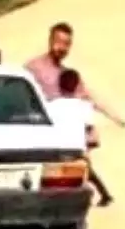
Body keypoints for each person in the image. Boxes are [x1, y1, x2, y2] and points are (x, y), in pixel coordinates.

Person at [26, 23, 125, 126]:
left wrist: (116, 118)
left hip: (63, 128)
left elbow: (91, 98)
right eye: (58, 42)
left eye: (66, 44)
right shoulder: (34, 67)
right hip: (39, 127)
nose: (62, 48)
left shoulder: (70, 76)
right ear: (50, 40)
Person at [48, 67, 113, 207]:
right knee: (87, 170)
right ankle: (104, 195)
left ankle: (104, 195)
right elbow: (89, 128)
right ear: (77, 86)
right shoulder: (84, 106)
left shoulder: (51, 106)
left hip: (57, 150)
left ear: (59, 85)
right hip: (77, 150)